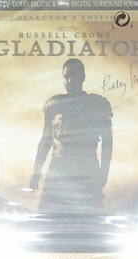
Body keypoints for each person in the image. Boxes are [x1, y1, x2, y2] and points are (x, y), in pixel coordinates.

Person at [30, 58, 113, 212]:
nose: (70, 80)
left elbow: (108, 141)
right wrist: (36, 172)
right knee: (51, 215)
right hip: (58, 168)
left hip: (87, 168)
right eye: (66, 76)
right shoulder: (54, 105)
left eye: (74, 75)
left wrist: (104, 172)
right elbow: (45, 141)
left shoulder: (97, 104)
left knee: (89, 216)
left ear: (83, 77)